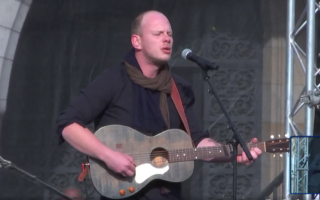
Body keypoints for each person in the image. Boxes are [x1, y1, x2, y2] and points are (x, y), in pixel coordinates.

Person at [56, 10, 262, 200]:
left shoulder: (179, 89)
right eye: (158, 34)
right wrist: (109, 156)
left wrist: (233, 153)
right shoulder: (113, 80)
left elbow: (197, 143)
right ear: (137, 41)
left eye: (170, 34)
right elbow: (68, 124)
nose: (167, 39)